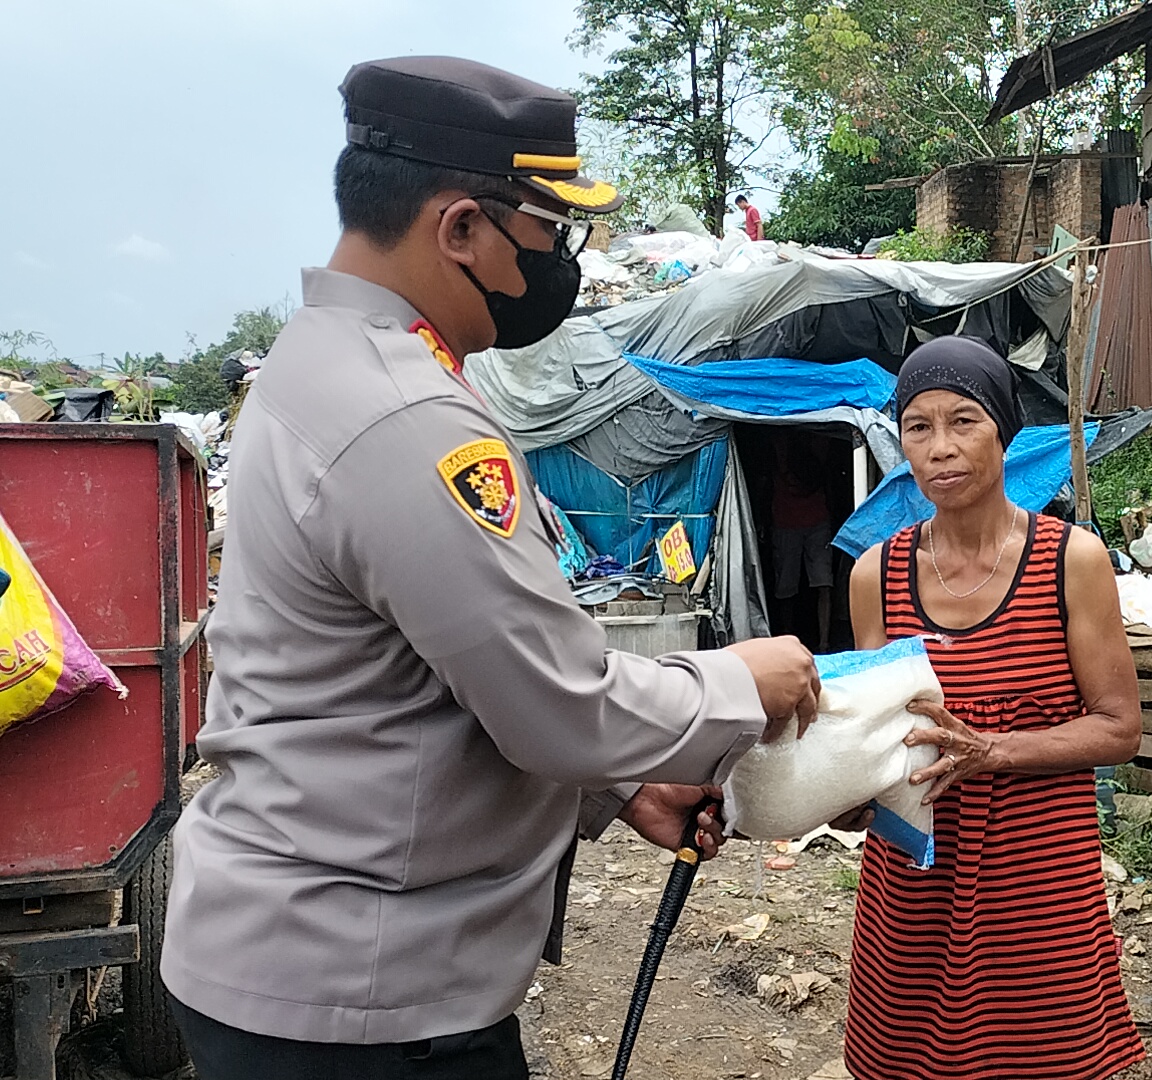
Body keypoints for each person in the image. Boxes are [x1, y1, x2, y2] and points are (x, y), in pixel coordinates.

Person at [162, 56, 820, 1080]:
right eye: (549, 231)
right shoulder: (406, 412)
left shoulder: (319, 358)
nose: (559, 259)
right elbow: (553, 698)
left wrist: (613, 786)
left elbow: (419, 675)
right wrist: (742, 681)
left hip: (306, 966)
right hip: (362, 1005)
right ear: (461, 228)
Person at [839, 335, 1146, 1080]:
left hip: (1037, 875)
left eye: (963, 421)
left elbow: (1120, 727)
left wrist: (996, 750)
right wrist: (841, 789)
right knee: (910, 1062)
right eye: (919, 426)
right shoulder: (875, 575)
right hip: (916, 876)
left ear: (1003, 431)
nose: (940, 447)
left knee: (1044, 1058)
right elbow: (878, 733)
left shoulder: (1070, 560)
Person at [768, 433, 835, 650]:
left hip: (808, 520)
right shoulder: (791, 443)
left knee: (817, 584)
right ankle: (795, 642)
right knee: (792, 586)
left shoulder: (813, 440)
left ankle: (822, 643)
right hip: (790, 520)